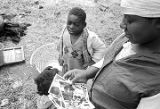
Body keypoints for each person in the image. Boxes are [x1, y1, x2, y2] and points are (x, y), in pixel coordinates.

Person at [64, 0, 160, 109]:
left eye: (130, 20)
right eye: (124, 16)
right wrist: (87, 74)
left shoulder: (155, 86)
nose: (121, 24)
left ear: (158, 23)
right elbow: (109, 58)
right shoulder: (127, 38)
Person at [58, 7, 106, 75]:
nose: (71, 26)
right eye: (69, 23)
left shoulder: (90, 37)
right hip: (67, 64)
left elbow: (101, 48)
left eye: (76, 25)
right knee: (66, 79)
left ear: (84, 25)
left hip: (80, 69)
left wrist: (93, 62)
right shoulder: (65, 30)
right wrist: (60, 56)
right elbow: (61, 42)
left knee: (76, 83)